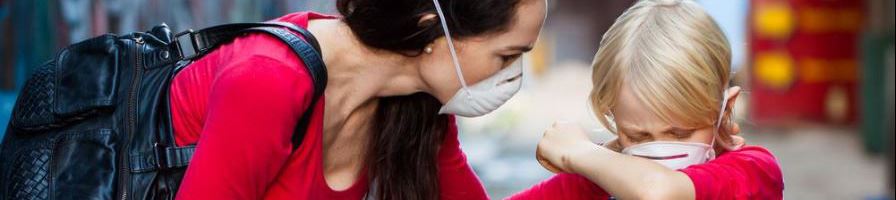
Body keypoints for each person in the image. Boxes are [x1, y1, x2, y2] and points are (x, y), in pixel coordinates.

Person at [171, 0, 546, 199]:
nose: (511, 75)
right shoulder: (266, 79)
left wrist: (591, 167)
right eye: (507, 56)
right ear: (432, 28)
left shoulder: (417, 109)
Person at [510, 0, 784, 199]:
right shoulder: (599, 178)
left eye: (680, 133)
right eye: (638, 137)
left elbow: (658, 191)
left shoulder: (753, 171)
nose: (658, 153)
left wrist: (579, 152)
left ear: (724, 112)